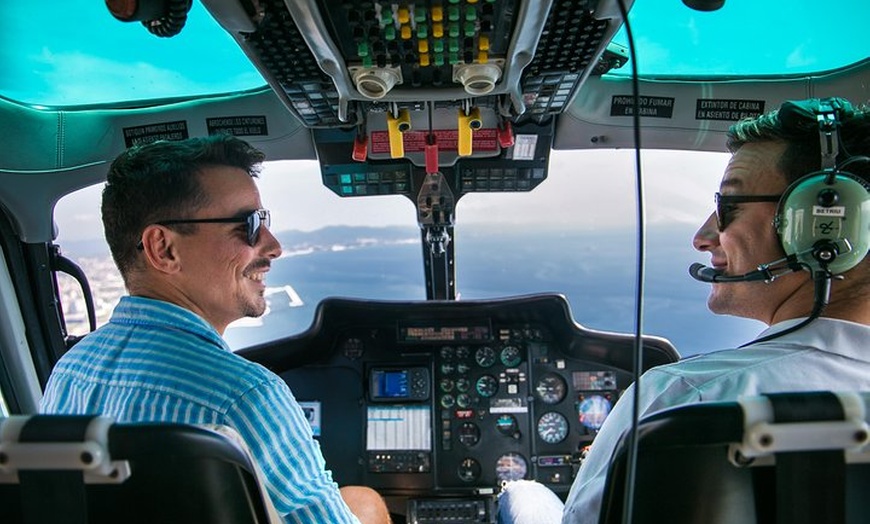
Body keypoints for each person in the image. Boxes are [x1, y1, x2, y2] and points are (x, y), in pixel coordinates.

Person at [498, 97, 870, 524]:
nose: (702, 236)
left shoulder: (684, 397)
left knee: (525, 493)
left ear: (825, 223)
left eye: (728, 206)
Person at [40, 135, 391, 524]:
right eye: (249, 225)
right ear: (164, 249)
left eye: (265, 222)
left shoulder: (69, 371)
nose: (274, 246)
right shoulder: (242, 397)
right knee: (367, 504)